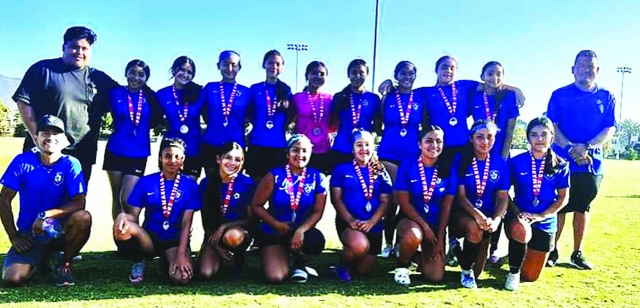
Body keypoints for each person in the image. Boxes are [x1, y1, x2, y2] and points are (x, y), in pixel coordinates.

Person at [13, 26, 118, 184]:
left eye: (85, 48)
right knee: (38, 201)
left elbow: (128, 96)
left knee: (75, 203)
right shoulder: (43, 69)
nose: (79, 52)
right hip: (43, 152)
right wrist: (36, 136)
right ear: (64, 47)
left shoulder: (99, 78)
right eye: (74, 47)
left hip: (82, 153)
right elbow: (23, 101)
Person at [545, 50, 617, 270]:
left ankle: (577, 253)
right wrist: (569, 147)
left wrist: (587, 147)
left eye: (590, 66)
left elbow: (609, 128)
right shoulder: (559, 94)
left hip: (590, 163)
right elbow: (552, 126)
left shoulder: (607, 96)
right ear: (573, 69)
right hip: (561, 161)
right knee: (559, 206)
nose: (586, 69)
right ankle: (551, 251)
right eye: (581, 65)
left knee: (582, 207)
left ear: (598, 70)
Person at [1, 115, 91, 287]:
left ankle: (64, 264)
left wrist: (45, 215)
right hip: (31, 234)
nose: (50, 138)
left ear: (64, 140)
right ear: (36, 138)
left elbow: (79, 202)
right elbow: (4, 200)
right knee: (11, 279)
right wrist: (14, 237)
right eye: (45, 133)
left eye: (56, 134)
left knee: (83, 217)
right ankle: (42, 259)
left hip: (61, 231)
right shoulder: (22, 161)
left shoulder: (71, 164)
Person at [113, 138, 201, 285]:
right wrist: (122, 216)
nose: (172, 160)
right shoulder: (146, 181)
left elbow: (187, 223)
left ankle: (167, 260)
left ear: (183, 160)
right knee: (122, 227)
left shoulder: (190, 185)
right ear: (160, 157)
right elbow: (133, 216)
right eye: (167, 156)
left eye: (177, 157)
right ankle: (139, 260)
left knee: (181, 278)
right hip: (149, 239)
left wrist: (181, 255)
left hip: (174, 241)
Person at [250, 134, 327, 284]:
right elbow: (256, 205)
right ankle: (281, 257)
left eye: (305, 151)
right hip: (275, 231)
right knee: (276, 277)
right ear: (287, 153)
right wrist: (276, 224)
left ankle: (299, 262)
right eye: (295, 150)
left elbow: (318, 212)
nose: (300, 155)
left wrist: (301, 230)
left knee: (315, 241)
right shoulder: (274, 175)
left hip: (302, 232)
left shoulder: (318, 177)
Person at [504, 117, 569, 291]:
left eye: (544, 134)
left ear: (552, 137)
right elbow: (503, 194)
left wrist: (542, 215)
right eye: (534, 135)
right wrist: (518, 212)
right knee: (521, 229)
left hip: (544, 220)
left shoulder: (561, 165)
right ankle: (513, 272)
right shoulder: (516, 162)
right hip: (519, 216)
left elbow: (563, 198)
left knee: (531, 276)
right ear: (528, 138)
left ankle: (518, 255)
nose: (539, 139)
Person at [376, 61, 428, 258]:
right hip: (388, 153)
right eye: (403, 73)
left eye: (411, 73)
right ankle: (387, 243)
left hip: (412, 157)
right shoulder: (387, 95)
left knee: (408, 201)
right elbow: (379, 121)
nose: (407, 77)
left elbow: (425, 124)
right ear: (396, 75)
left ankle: (401, 241)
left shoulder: (421, 97)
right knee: (390, 201)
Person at [392, 125, 455, 286]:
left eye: (438, 141)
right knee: (414, 235)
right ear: (420, 144)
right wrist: (425, 228)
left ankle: (414, 255)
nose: (434, 145)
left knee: (435, 276)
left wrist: (440, 238)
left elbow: (447, 207)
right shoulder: (408, 165)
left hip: (435, 227)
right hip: (410, 221)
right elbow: (403, 203)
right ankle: (402, 267)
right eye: (429, 141)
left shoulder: (448, 168)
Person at [470, 61, 520, 264]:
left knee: (498, 199)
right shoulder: (474, 95)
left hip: (498, 157)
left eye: (499, 74)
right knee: (473, 193)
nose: (494, 78)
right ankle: (460, 242)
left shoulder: (509, 97)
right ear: (482, 76)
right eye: (490, 73)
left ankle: (493, 247)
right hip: (476, 153)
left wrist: (502, 158)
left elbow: (509, 132)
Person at [450, 121, 509, 288]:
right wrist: (478, 215)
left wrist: (496, 220)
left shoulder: (500, 163)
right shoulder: (461, 160)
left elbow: (503, 197)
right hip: (464, 214)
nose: (485, 142)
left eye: (490, 137)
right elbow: (460, 197)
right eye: (479, 137)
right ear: (471, 139)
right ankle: (465, 271)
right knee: (475, 229)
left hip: (488, 219)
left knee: (479, 271)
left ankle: (456, 250)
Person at [330, 131, 392, 281]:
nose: (363, 149)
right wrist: (350, 220)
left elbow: (385, 201)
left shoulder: (380, 170)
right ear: (352, 149)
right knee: (359, 244)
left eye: (367, 145)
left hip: (374, 225)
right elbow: (336, 199)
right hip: (350, 223)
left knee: (363, 272)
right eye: (359, 145)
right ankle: (342, 265)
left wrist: (372, 222)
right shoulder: (341, 170)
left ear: (373, 147)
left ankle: (355, 256)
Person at [104, 60, 162, 220]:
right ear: (126, 73)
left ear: (146, 78)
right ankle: (119, 240)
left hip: (139, 152)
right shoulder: (114, 93)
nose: (136, 77)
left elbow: (159, 118)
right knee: (116, 198)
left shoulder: (151, 98)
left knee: (128, 199)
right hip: (115, 150)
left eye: (141, 74)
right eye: (132, 73)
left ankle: (132, 236)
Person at [197, 142, 254, 279]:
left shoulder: (247, 184)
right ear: (218, 159)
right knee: (206, 273)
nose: (232, 163)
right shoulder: (206, 183)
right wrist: (215, 245)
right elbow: (204, 217)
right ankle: (220, 256)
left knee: (232, 235)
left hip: (238, 233)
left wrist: (225, 226)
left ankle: (239, 260)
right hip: (214, 235)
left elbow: (251, 220)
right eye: (228, 157)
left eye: (238, 159)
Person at [200, 50, 251, 178]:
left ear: (239, 67)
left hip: (236, 145)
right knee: (211, 184)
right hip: (211, 143)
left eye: (234, 65)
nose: (229, 68)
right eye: (225, 64)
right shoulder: (209, 88)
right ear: (218, 66)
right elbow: (202, 111)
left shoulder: (246, 92)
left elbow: (251, 116)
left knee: (232, 186)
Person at [246, 50, 293, 182]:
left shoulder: (286, 90)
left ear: (282, 68)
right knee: (255, 187)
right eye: (270, 63)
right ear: (264, 65)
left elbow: (291, 115)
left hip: (278, 146)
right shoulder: (254, 89)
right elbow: (249, 113)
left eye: (278, 64)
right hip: (257, 144)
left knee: (275, 187)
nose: (274, 66)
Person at [157, 56, 204, 180]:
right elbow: (154, 118)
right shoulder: (162, 94)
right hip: (170, 148)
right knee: (168, 188)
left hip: (194, 147)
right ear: (173, 71)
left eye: (189, 72)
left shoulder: (199, 93)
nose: (185, 74)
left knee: (189, 188)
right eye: (182, 70)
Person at [329, 59, 382, 167]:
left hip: (364, 150)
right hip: (342, 148)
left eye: (361, 73)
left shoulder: (374, 98)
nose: (357, 76)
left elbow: (377, 126)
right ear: (348, 75)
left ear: (367, 74)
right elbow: (332, 123)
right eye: (354, 73)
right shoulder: (340, 97)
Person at [290, 61, 334, 174]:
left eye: (322, 74)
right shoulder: (297, 98)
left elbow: (335, 123)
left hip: (323, 151)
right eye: (314, 73)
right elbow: (288, 122)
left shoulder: (331, 99)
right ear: (307, 75)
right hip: (302, 151)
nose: (318, 76)